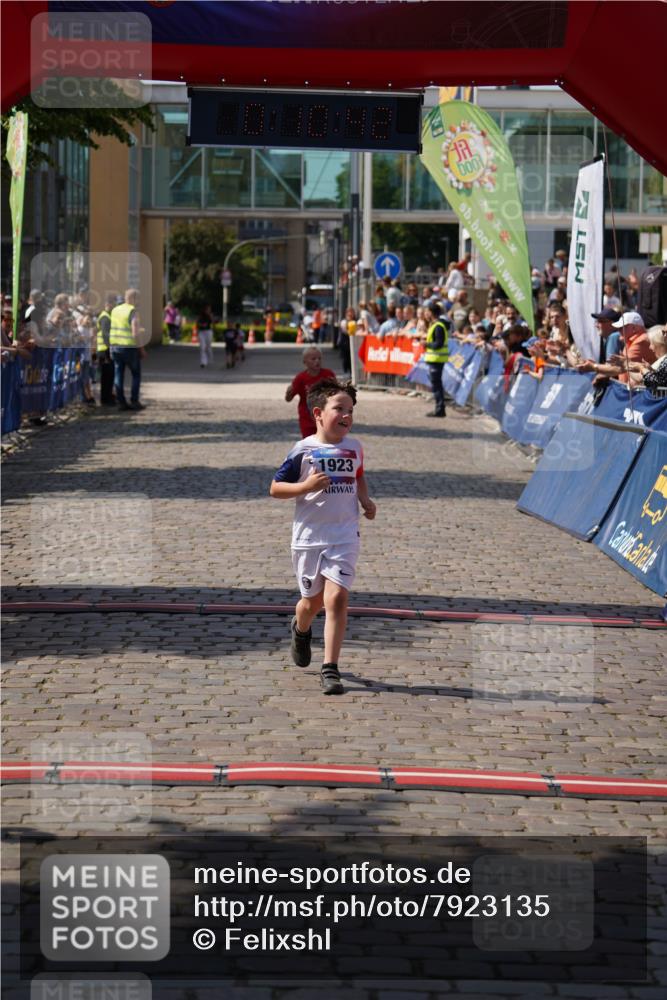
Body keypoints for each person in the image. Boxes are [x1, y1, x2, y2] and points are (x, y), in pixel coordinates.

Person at [270, 378, 376, 695]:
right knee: (311, 603)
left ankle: (330, 668)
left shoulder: (354, 447)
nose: (347, 416)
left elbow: (358, 476)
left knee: (337, 598)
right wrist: (305, 487)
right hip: (309, 538)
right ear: (318, 413)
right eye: (339, 409)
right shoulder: (303, 450)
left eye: (351, 410)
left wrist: (365, 500)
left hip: (344, 535)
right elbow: (275, 488)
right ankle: (300, 628)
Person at [285, 346, 336, 439]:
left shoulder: (328, 375)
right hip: (307, 418)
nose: (317, 361)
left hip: (325, 416)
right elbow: (288, 399)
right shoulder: (300, 378)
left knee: (326, 442)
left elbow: (336, 393)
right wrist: (288, 392)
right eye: (313, 359)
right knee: (309, 442)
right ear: (305, 362)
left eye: (319, 358)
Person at [110, 288, 146, 411]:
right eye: (138, 299)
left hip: (115, 347)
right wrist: (141, 349)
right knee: (136, 374)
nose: (139, 302)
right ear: (134, 298)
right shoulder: (133, 311)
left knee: (118, 374)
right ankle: (134, 401)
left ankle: (121, 402)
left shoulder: (115, 310)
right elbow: (135, 333)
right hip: (129, 348)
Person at [617, 325, 667, 390]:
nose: (650, 347)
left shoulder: (664, 360)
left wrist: (638, 367)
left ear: (659, 343)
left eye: (652, 343)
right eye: (664, 332)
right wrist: (649, 370)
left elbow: (646, 379)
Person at [422, 301, 449, 418]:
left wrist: (426, 344)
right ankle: (439, 408)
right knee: (436, 384)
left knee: (437, 385)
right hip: (435, 359)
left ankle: (440, 409)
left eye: (427, 311)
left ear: (431, 313)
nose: (425, 314)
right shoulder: (435, 325)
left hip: (437, 359)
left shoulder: (438, 326)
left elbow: (438, 343)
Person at [96, 294, 117, 405]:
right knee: (107, 376)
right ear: (108, 304)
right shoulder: (105, 317)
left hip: (105, 350)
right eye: (113, 304)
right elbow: (105, 335)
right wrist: (110, 348)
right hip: (104, 351)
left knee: (109, 375)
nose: (114, 306)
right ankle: (105, 399)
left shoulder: (108, 316)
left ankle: (108, 396)